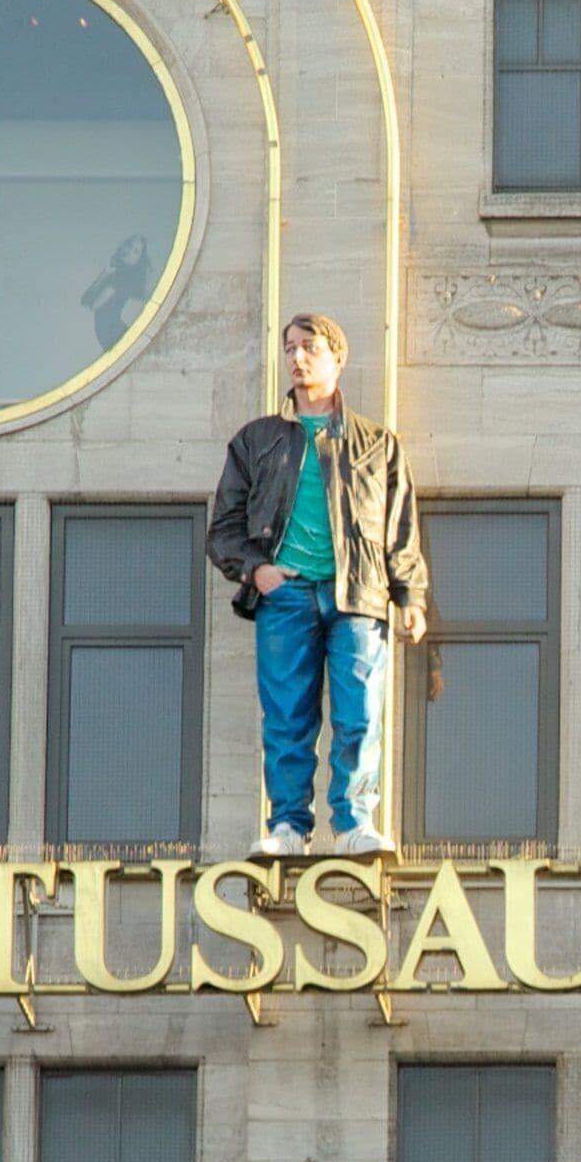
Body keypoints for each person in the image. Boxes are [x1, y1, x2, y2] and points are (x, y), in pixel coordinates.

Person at [205, 313, 427, 858]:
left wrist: (410, 595)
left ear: (337, 358)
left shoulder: (376, 443)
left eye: (309, 347)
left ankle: (354, 824)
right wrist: (257, 571)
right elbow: (223, 528)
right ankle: (288, 827)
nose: (298, 358)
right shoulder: (257, 440)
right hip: (286, 595)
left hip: (359, 595)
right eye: (290, 348)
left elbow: (400, 528)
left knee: (360, 714)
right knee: (287, 717)